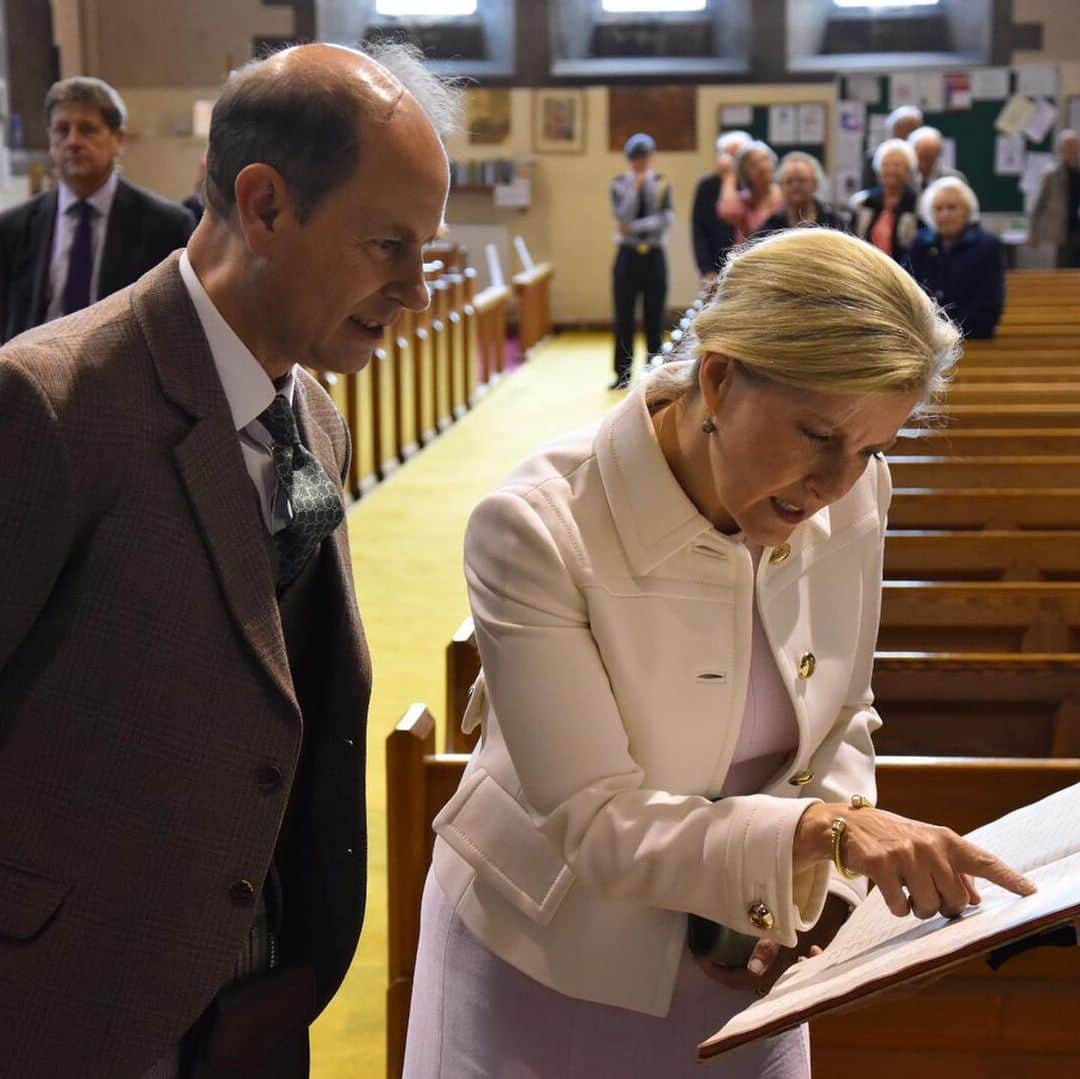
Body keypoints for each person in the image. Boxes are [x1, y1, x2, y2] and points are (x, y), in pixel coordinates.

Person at [403, 229, 1036, 1079]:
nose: (837, 486)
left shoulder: (851, 493)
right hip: (550, 954)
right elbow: (596, 821)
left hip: (747, 945)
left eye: (871, 450)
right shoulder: (535, 525)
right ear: (717, 377)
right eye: (817, 434)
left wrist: (809, 893)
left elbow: (844, 714)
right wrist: (826, 833)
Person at [0, 42, 454, 1078]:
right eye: (389, 245)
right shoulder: (52, 403)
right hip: (69, 1002)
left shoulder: (318, 413)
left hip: (254, 1003)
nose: (418, 290)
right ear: (263, 206)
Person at [0, 76, 195, 342]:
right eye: (62, 129)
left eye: (87, 129)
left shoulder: (166, 226)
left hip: (121, 373)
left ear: (118, 140)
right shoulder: (13, 228)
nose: (73, 141)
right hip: (34, 370)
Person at [610, 132, 674, 390]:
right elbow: (620, 215)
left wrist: (635, 226)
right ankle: (622, 373)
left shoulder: (661, 182)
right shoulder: (618, 184)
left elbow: (666, 217)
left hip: (654, 254)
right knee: (624, 315)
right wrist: (634, 190)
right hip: (627, 256)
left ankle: (654, 372)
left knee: (655, 315)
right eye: (635, 158)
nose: (640, 163)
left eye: (644, 157)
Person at [904, 177, 1006, 340]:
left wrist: (947, 331)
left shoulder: (988, 246)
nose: (945, 214)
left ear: (967, 210)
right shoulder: (920, 244)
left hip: (973, 339)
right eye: (938, 208)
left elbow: (989, 304)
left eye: (952, 208)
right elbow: (907, 289)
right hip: (925, 339)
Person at [691, 130, 750, 287]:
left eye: (737, 156)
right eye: (728, 155)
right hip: (715, 265)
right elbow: (699, 231)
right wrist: (706, 270)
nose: (732, 161)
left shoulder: (752, 185)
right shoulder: (707, 185)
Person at [850, 138, 920, 261]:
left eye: (897, 165)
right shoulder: (863, 202)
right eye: (885, 165)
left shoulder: (919, 204)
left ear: (909, 170)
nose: (891, 170)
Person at [756, 151, 849, 235]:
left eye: (802, 181)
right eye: (789, 181)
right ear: (780, 186)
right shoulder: (771, 227)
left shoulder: (834, 224)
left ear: (815, 184)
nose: (795, 186)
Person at [1029, 128, 1080, 268]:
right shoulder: (1051, 174)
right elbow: (1037, 205)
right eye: (1069, 146)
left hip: (1077, 230)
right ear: (1061, 149)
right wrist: (1032, 233)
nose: (1073, 150)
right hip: (1059, 233)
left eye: (1075, 146)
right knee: (1060, 272)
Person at [717, 138, 783, 244]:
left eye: (764, 159)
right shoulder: (744, 200)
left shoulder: (785, 196)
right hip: (750, 256)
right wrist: (729, 176)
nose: (762, 167)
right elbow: (728, 212)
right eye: (754, 164)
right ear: (745, 173)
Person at [860, 104, 923, 189]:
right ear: (893, 130)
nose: (907, 134)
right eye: (901, 129)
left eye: (912, 129)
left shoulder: (922, 157)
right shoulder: (873, 158)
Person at [907, 125, 967, 191]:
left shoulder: (954, 181)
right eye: (920, 158)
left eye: (928, 158)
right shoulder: (904, 180)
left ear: (938, 155)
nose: (923, 165)